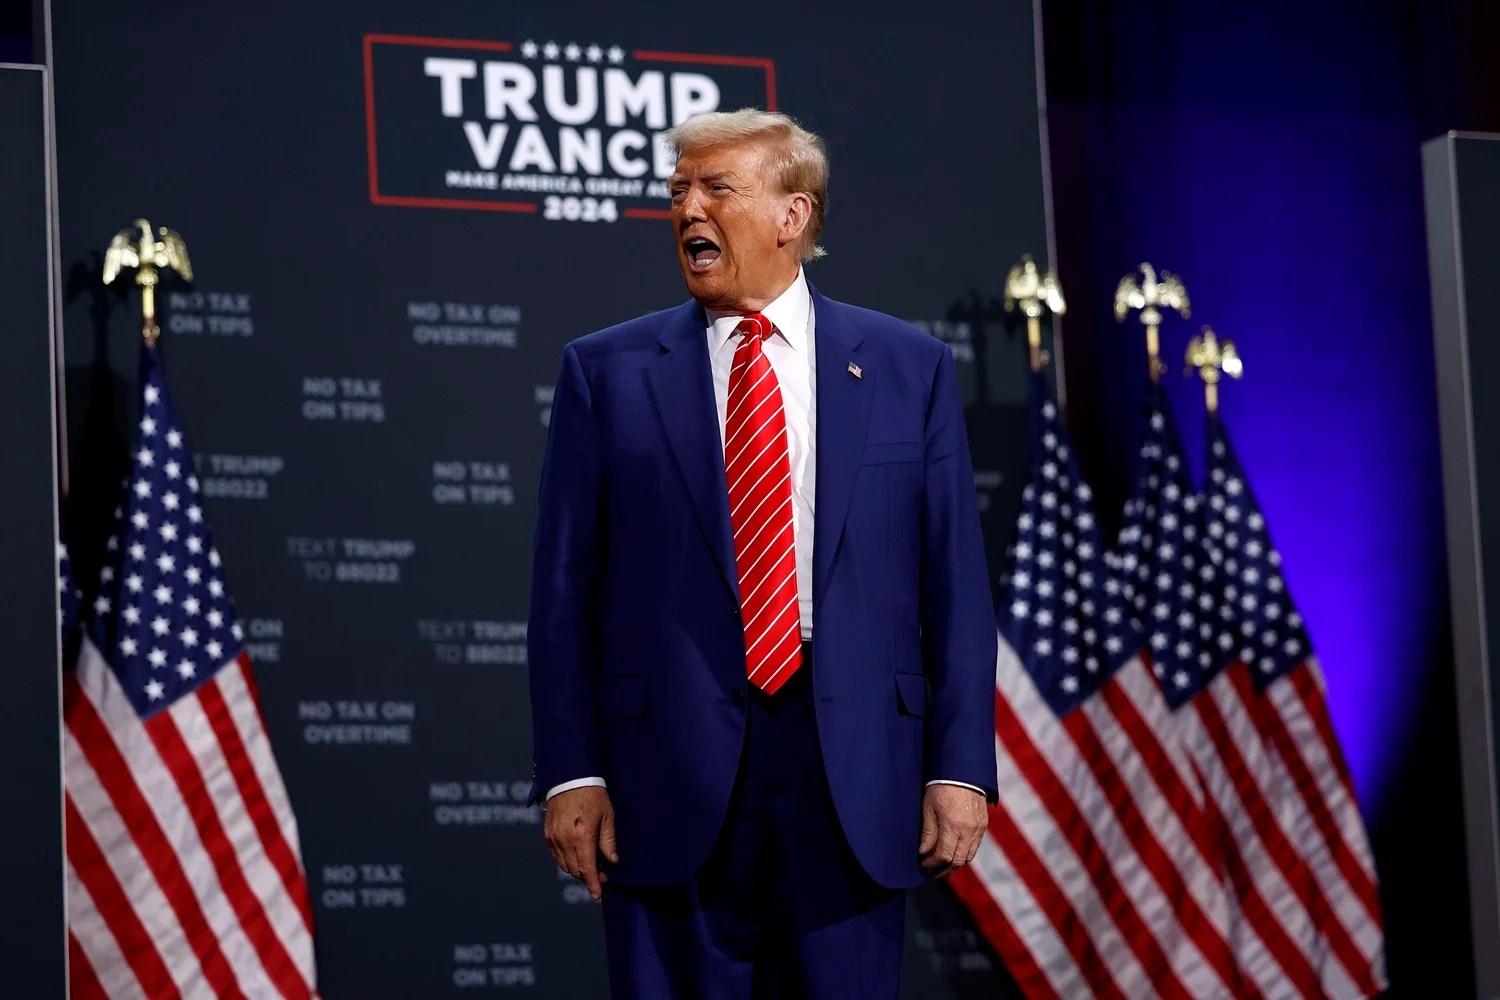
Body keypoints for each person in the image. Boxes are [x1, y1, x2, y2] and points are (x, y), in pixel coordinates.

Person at [528, 108, 998, 998]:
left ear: (795, 216)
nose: (687, 210)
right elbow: (563, 595)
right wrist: (571, 772)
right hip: (663, 767)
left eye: (717, 189)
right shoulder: (608, 371)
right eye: (677, 192)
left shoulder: (908, 367)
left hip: (852, 761)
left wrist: (960, 766)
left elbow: (956, 588)